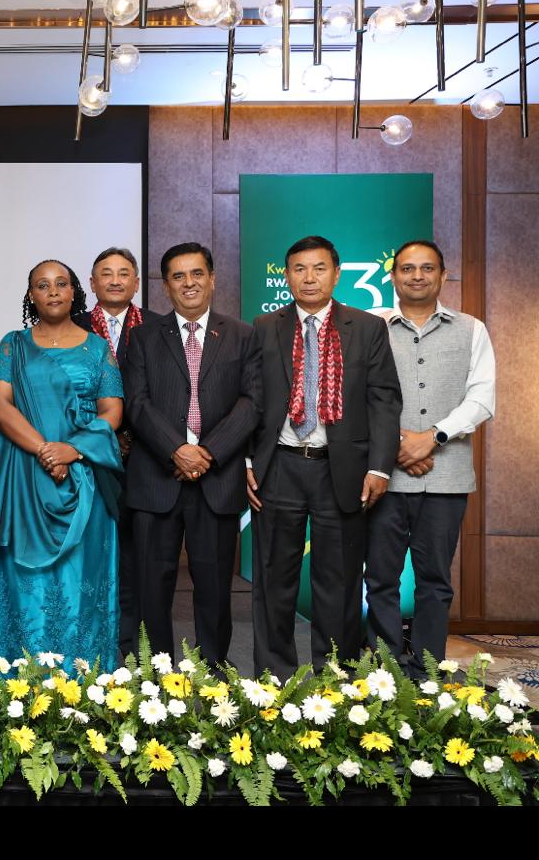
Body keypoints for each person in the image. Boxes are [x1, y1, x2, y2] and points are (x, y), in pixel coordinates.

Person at [247, 235, 401, 680]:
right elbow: (250, 398)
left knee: (339, 581)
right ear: (286, 275)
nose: (309, 278)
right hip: (279, 465)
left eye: (319, 268)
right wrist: (247, 462)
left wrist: (379, 467)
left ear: (336, 274)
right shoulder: (264, 326)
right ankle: (273, 682)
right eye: (299, 269)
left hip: (343, 469)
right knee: (274, 580)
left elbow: (384, 401)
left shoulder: (366, 328)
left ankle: (336, 681)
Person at [0, 260, 124, 665]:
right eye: (42, 285)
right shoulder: (12, 345)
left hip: (83, 481)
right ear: (31, 295)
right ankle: (14, 673)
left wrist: (73, 449)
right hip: (20, 480)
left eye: (61, 283)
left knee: (80, 575)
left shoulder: (98, 349)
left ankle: (82, 676)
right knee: (22, 580)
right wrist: (45, 450)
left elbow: (112, 411)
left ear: (75, 293)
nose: (52, 291)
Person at [121, 243, 260, 665]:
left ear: (212, 279)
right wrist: (177, 450)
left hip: (216, 479)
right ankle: (157, 671)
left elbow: (252, 402)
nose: (189, 283)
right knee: (152, 587)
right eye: (178, 276)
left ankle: (213, 669)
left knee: (215, 587)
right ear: (165, 286)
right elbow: (136, 403)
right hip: (156, 479)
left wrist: (208, 453)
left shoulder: (242, 334)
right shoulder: (143, 337)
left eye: (197, 273)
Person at [366, 239, 495, 676]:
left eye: (426, 268)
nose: (417, 276)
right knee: (379, 578)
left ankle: (425, 674)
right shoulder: (371, 326)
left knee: (435, 581)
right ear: (393, 276)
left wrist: (433, 437)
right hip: (383, 476)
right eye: (407, 268)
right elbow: (355, 394)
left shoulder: (472, 329)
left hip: (446, 477)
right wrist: (401, 442)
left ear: (443, 275)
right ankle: (383, 674)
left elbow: (482, 398)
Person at [78, 246, 160, 657]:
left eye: (123, 273)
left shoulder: (160, 327)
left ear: (136, 282)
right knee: (88, 554)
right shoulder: (70, 326)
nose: (115, 280)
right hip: (86, 459)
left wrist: (132, 435)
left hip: (148, 459)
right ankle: (87, 644)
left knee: (136, 558)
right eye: (106, 274)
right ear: (92, 283)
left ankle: (130, 647)